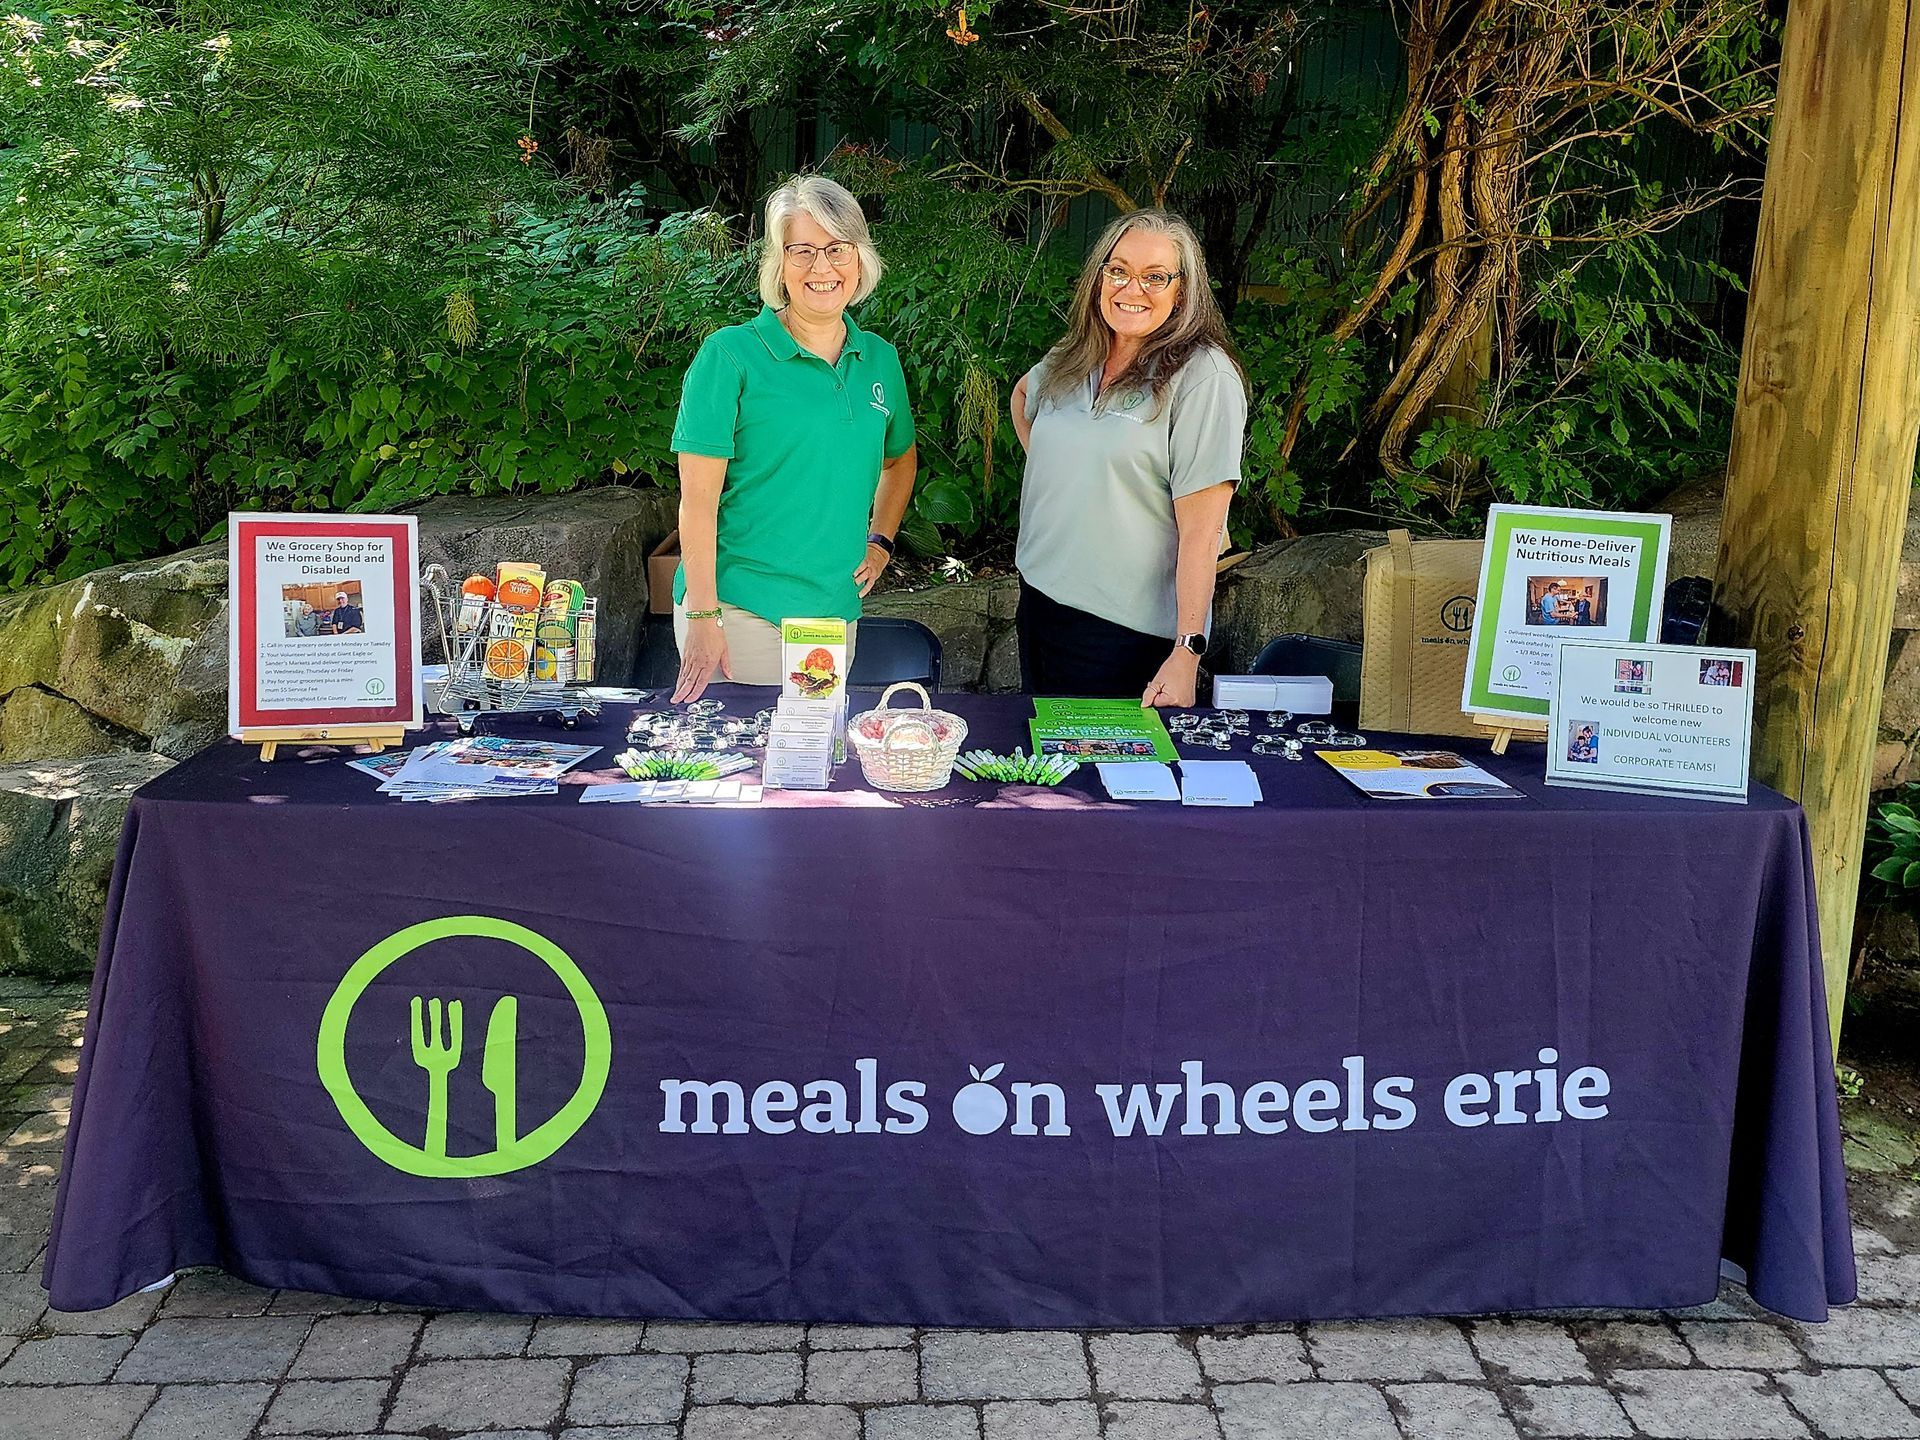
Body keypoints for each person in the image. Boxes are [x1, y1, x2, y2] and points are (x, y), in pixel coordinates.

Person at [670, 175, 918, 702]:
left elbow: (900, 462)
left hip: (834, 612)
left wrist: (881, 544)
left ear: (860, 258)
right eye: (801, 250)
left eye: (836, 249)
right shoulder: (730, 356)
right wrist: (704, 615)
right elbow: (697, 504)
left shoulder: (879, 359)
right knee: (753, 770)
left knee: (813, 768)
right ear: (778, 264)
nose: (821, 268)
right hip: (740, 609)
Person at [1009, 209, 1248, 706]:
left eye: (1154, 277)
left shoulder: (1205, 378)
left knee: (1102, 784)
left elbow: (1204, 538)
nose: (1131, 288)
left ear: (1183, 290)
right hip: (1039, 605)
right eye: (1118, 270)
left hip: (1124, 636)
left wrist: (1187, 652)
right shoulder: (1075, 356)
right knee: (1042, 778)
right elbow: (1022, 398)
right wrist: (1077, 481)